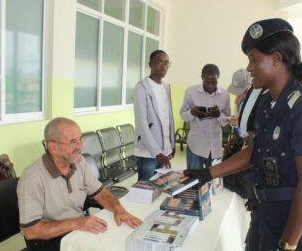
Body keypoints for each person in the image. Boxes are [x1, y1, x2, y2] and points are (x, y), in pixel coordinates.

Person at [185, 18, 302, 251]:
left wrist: (288, 245)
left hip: (294, 218)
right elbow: (254, 151)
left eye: (253, 60)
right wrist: (207, 173)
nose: (249, 68)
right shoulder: (265, 102)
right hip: (265, 210)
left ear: (275, 59)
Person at [17, 118, 142, 251]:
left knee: (120, 238)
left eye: (80, 139)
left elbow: (100, 193)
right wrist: (78, 223)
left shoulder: (78, 162)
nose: (80, 147)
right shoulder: (32, 178)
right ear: (53, 147)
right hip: (48, 241)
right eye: (73, 142)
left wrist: (119, 209)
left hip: (76, 230)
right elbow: (31, 231)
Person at [133, 50, 175, 180]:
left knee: (160, 188)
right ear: (150, 64)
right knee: (145, 191)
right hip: (148, 153)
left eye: (167, 63)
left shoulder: (166, 87)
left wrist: (172, 144)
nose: (164, 66)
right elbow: (142, 124)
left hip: (165, 151)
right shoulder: (141, 88)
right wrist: (158, 153)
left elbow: (168, 118)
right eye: (159, 62)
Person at [179, 64, 231, 169]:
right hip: (195, 145)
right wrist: (192, 113)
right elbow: (183, 115)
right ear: (202, 77)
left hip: (215, 147)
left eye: (214, 82)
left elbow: (226, 121)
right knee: (194, 180)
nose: (211, 85)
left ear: (218, 78)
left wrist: (218, 115)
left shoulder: (225, 94)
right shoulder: (191, 92)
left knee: (214, 181)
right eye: (207, 82)